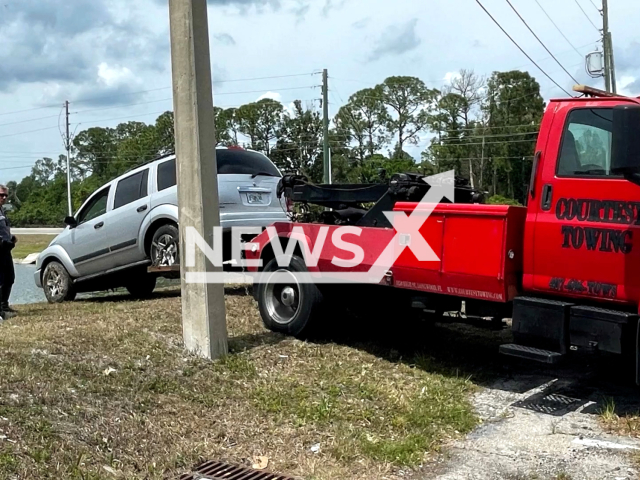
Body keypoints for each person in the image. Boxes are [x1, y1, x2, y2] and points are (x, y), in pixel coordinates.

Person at [0, 185, 17, 319]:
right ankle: (1, 310)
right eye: (1, 195)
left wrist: (11, 239)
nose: (4, 197)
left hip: (6, 249)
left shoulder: (2, 210)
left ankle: (4, 305)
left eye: (5, 195)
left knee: (9, 278)